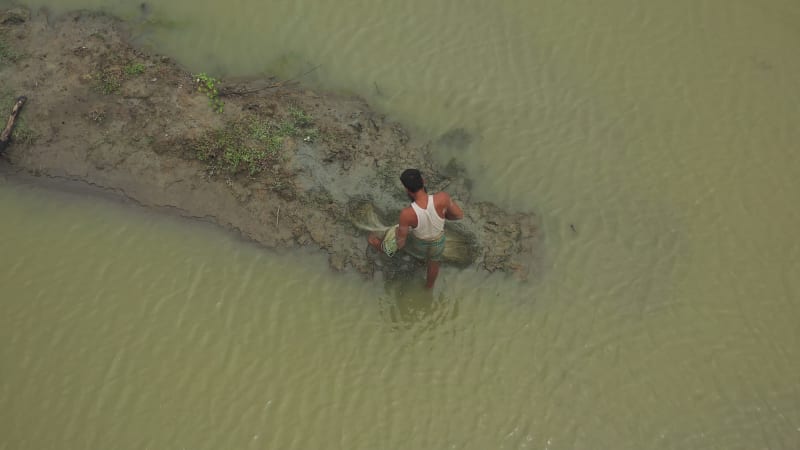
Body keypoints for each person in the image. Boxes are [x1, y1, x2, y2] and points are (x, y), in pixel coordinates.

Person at [368, 169, 464, 288]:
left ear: (407, 190)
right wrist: (444, 216)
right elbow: (459, 215)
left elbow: (401, 244)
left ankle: (380, 246)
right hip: (438, 242)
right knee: (434, 263)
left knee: (378, 242)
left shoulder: (407, 214)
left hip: (420, 244)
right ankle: (429, 287)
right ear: (423, 181)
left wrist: (395, 235)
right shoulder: (442, 198)